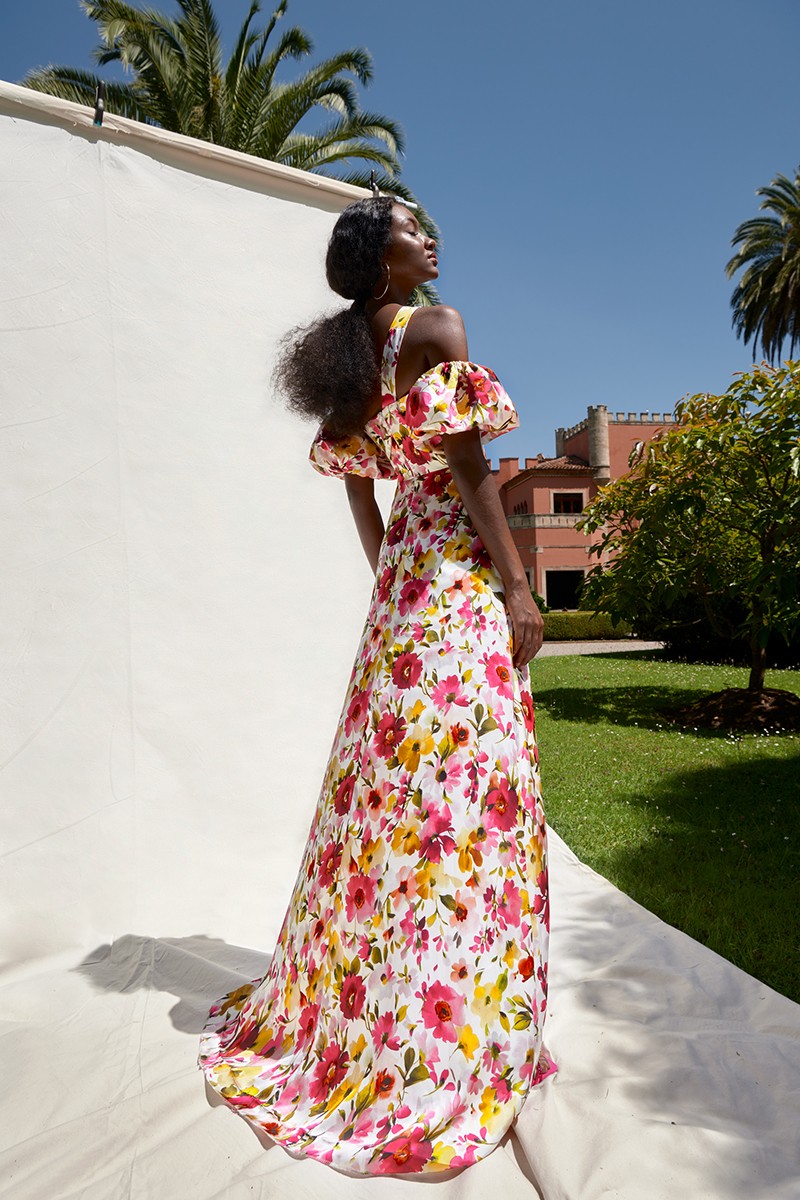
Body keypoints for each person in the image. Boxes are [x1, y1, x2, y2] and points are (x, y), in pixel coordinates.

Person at [197, 195, 557, 1177]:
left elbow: (365, 493)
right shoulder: (433, 329)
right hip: (453, 581)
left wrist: (394, 585)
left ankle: (378, 997)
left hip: (401, 594)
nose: (427, 235)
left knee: (384, 800)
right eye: (407, 226)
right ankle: (451, 1010)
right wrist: (517, 588)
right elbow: (471, 467)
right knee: (460, 790)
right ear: (377, 255)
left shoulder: (345, 362)